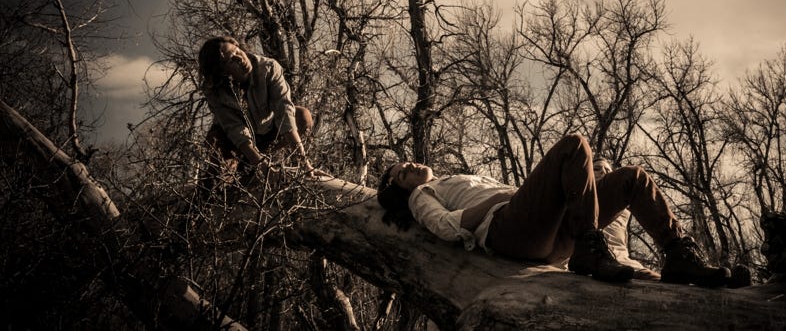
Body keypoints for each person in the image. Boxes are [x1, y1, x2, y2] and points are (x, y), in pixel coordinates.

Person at [377, 134, 730, 286]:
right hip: (509, 231)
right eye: (401, 173)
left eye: (405, 162)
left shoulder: (455, 178)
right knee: (574, 145)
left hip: (552, 238)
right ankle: (589, 248)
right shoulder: (421, 194)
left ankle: (679, 253)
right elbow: (443, 225)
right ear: (402, 190)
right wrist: (498, 203)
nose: (409, 165)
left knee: (631, 178)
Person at [197, 36, 314, 194]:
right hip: (232, 141)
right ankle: (220, 185)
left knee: (302, 116)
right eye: (231, 60)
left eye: (237, 51)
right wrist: (262, 166)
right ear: (223, 73)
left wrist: (304, 163)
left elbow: (285, 112)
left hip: (266, 133)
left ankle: (250, 167)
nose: (240, 58)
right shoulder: (214, 91)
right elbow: (235, 129)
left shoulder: (268, 67)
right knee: (217, 177)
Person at [592, 157, 661, 281]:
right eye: (596, 169)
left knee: (657, 280)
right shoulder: (575, 198)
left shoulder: (624, 211)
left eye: (608, 170)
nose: (603, 172)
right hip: (590, 262)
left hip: (624, 264)